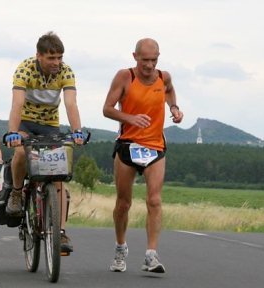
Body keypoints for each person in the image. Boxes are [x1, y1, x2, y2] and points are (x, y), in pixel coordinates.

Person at [103, 38, 184, 273]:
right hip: (128, 145)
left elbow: (169, 91)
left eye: (154, 60)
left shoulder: (163, 77)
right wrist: (130, 118)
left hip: (155, 147)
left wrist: (174, 108)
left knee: (155, 200)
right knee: (123, 203)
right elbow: (107, 108)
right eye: (145, 60)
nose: (150, 65)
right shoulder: (125, 77)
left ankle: (151, 255)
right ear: (135, 56)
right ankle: (120, 247)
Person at [4, 31, 85, 253]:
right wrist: (13, 132)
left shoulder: (66, 71)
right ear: (38, 55)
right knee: (20, 153)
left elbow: (70, 103)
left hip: (50, 124)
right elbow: (17, 104)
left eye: (59, 57)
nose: (56, 62)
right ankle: (17, 193)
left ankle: (60, 233)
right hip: (26, 123)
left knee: (58, 177)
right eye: (51, 58)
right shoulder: (25, 69)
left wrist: (77, 131)